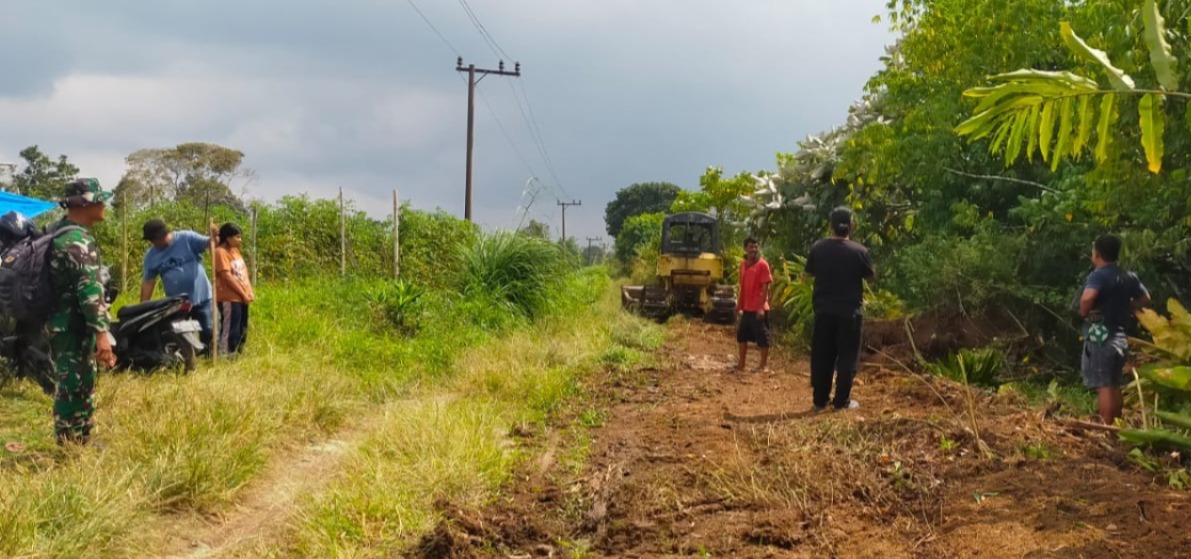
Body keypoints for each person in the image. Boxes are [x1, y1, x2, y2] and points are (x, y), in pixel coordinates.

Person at [46, 178, 117, 445]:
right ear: (85, 203)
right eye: (100, 199)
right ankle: (67, 442)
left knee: (82, 379)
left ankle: (81, 437)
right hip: (69, 325)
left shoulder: (61, 231)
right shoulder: (76, 241)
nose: (104, 204)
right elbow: (89, 292)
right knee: (71, 383)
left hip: (68, 323)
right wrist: (102, 333)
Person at [805, 207, 874, 412]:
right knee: (847, 357)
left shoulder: (818, 248)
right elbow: (870, 276)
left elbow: (808, 273)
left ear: (830, 226)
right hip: (850, 313)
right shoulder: (860, 251)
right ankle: (841, 401)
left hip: (823, 311)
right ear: (852, 225)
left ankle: (819, 400)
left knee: (822, 356)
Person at [1078, 234, 1149, 425]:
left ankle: (1106, 427)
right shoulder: (1129, 276)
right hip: (1120, 338)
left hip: (1102, 337)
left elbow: (1087, 298)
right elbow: (1145, 299)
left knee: (1103, 386)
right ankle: (1116, 425)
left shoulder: (1098, 275)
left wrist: (1084, 312)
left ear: (1097, 254)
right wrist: (1128, 305)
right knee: (1114, 384)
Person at [140, 219, 218, 354]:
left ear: (162, 235)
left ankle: (211, 358)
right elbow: (148, 282)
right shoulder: (151, 256)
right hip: (178, 303)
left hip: (203, 296)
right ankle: (187, 357)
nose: (153, 244)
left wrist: (215, 236)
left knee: (209, 330)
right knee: (179, 333)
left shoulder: (186, 238)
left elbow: (209, 243)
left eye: (154, 240)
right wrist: (143, 307)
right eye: (150, 241)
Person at [214, 223, 254, 355]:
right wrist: (242, 293)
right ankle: (226, 354)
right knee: (231, 328)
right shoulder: (221, 252)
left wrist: (248, 292)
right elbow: (227, 276)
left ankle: (238, 353)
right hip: (229, 297)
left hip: (242, 296)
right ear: (228, 238)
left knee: (242, 327)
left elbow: (242, 273)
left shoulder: (235, 251)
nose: (240, 240)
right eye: (237, 237)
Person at [736, 237, 773, 372]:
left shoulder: (763, 265)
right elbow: (742, 286)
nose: (753, 250)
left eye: (755, 247)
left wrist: (761, 308)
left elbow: (765, 288)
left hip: (758, 308)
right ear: (745, 248)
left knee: (762, 336)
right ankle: (741, 364)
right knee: (741, 335)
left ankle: (763, 366)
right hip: (746, 307)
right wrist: (739, 305)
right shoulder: (743, 265)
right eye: (751, 247)